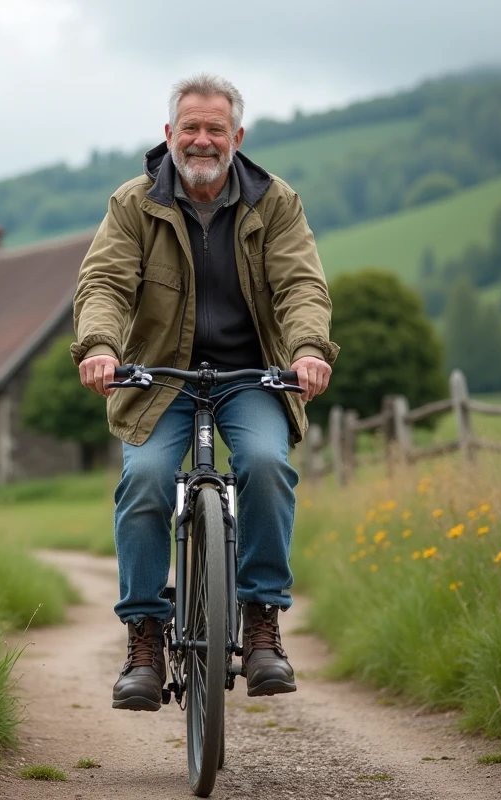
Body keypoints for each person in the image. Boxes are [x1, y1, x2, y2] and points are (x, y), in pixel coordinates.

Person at [71, 73, 338, 711]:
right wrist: (101, 347)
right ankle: (144, 637)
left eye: (215, 128)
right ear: (168, 135)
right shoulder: (133, 204)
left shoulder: (275, 203)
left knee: (269, 466)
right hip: (160, 379)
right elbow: (103, 283)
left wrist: (307, 350)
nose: (201, 139)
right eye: (189, 127)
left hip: (252, 375)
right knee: (146, 479)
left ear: (236, 137)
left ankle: (262, 621)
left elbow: (302, 285)